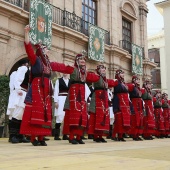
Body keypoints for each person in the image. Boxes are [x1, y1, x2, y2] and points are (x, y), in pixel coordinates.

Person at [20, 25, 72, 146]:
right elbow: (28, 48)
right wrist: (26, 32)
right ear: (41, 51)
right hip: (37, 87)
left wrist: (71, 69)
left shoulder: (49, 63)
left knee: (45, 112)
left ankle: (42, 137)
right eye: (45, 48)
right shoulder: (36, 60)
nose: (47, 50)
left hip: (46, 89)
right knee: (36, 111)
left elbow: (61, 67)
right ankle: (34, 138)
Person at [88, 65, 117, 143]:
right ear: (98, 70)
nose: (104, 70)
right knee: (97, 116)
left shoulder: (105, 80)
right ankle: (95, 136)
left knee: (103, 117)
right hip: (97, 98)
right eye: (102, 68)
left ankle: (100, 136)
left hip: (104, 99)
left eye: (104, 68)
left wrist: (117, 80)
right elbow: (89, 76)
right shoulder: (97, 77)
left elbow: (113, 83)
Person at [8, 59, 30, 144]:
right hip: (20, 93)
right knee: (17, 113)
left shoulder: (26, 70)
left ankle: (20, 135)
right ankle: (13, 136)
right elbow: (17, 80)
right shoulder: (23, 68)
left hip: (23, 93)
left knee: (21, 115)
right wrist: (18, 89)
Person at [111, 69, 133, 142]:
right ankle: (114, 135)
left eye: (123, 73)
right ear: (118, 74)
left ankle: (121, 135)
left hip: (125, 103)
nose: (123, 75)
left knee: (123, 121)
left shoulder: (123, 83)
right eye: (121, 73)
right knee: (118, 120)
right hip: (119, 101)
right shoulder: (116, 81)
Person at [53, 73, 70, 140]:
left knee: (67, 117)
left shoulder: (70, 81)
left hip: (68, 100)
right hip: (60, 99)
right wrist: (56, 101)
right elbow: (56, 90)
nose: (65, 74)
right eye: (64, 73)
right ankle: (56, 135)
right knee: (59, 116)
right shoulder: (58, 80)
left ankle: (65, 134)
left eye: (66, 73)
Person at [128, 75, 144, 141]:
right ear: (134, 80)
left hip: (139, 103)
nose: (138, 81)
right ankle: (134, 134)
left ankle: (138, 134)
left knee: (139, 119)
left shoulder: (137, 88)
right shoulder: (132, 86)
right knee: (135, 119)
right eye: (137, 79)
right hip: (134, 103)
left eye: (138, 79)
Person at [6, 70, 17, 142]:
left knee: (19, 116)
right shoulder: (14, 73)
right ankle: (12, 136)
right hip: (15, 95)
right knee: (12, 115)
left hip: (22, 96)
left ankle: (19, 135)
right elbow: (12, 86)